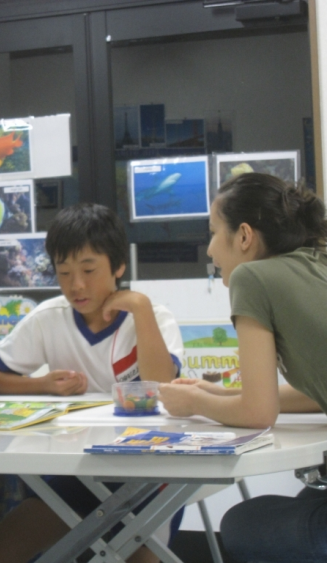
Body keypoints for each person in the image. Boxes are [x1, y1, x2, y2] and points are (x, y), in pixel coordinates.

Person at [0, 203, 183, 563]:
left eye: (89, 270)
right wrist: (43, 385)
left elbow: (161, 384)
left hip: (149, 475)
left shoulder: (153, 317)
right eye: (64, 272)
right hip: (78, 474)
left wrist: (140, 308)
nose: (77, 285)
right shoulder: (49, 317)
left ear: (118, 266)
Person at [157, 172, 327, 563]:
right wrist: (223, 393)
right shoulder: (317, 261)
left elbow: (257, 413)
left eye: (214, 232)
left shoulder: (253, 277)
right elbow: (315, 391)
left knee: (241, 523)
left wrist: (193, 404)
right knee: (304, 500)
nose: (209, 249)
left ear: (245, 236)